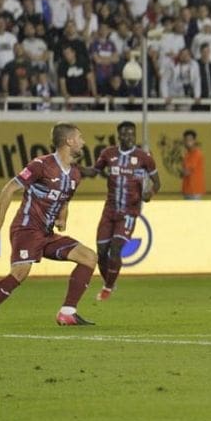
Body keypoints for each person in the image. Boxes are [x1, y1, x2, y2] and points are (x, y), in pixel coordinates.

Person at [0, 123, 99, 327]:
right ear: (69, 141)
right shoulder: (40, 165)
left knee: (89, 257)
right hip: (26, 229)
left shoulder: (75, 174)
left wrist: (63, 218)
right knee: (20, 272)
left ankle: (68, 313)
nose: (83, 142)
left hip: (46, 234)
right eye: (79, 138)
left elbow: (65, 201)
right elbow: (9, 189)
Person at [82, 121, 161, 301]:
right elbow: (93, 172)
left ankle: (107, 288)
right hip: (109, 211)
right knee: (101, 252)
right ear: (119, 136)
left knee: (115, 248)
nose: (129, 137)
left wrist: (150, 193)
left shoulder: (144, 157)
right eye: (125, 134)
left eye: (132, 134)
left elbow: (157, 182)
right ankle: (109, 281)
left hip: (128, 212)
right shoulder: (108, 153)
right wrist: (75, 167)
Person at [180, 129, 205, 199]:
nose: (187, 142)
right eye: (185, 140)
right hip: (187, 190)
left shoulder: (197, 154)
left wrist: (183, 171)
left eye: (190, 140)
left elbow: (186, 172)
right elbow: (182, 173)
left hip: (194, 191)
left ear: (194, 141)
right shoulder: (187, 154)